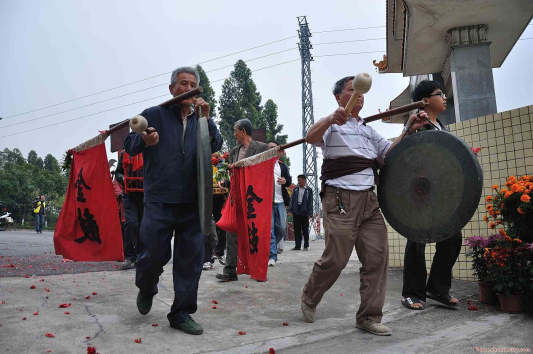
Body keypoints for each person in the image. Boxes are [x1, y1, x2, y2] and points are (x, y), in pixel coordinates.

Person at [300, 76, 427, 336]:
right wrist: (329, 119)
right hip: (340, 199)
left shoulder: (368, 130)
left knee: (377, 258)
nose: (359, 95)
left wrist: (409, 128)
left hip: (369, 200)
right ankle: (310, 296)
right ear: (338, 98)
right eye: (352, 90)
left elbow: (389, 153)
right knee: (336, 259)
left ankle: (368, 316)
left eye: (360, 92)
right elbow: (310, 138)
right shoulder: (333, 126)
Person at [124, 66, 223, 335]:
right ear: (172, 88)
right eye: (182, 83)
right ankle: (146, 286)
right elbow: (129, 143)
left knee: (190, 260)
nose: (188, 88)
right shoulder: (155, 114)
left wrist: (208, 119)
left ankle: (181, 312)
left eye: (192, 84)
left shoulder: (199, 120)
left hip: (193, 204)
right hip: (159, 200)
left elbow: (215, 145)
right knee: (153, 256)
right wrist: (145, 140)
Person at [400, 80, 462, 310]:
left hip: (440, 193)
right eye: (440, 94)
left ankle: (437, 288)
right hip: (418, 191)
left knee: (452, 237)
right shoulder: (417, 122)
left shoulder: (441, 126)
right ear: (425, 101)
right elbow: (404, 153)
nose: (445, 97)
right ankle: (411, 292)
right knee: (417, 241)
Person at [215, 119, 269, 281]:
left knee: (255, 234)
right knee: (232, 232)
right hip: (236, 197)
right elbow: (233, 173)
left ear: (243, 131)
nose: (234, 134)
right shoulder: (233, 151)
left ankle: (258, 270)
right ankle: (229, 270)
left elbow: (264, 171)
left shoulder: (262, 148)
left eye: (235, 130)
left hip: (254, 199)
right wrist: (224, 181)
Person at [115, 150, 145, 270]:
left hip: (145, 195)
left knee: (143, 225)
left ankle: (140, 255)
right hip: (129, 195)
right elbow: (118, 173)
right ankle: (128, 257)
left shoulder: (147, 151)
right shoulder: (125, 153)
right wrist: (123, 179)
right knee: (131, 223)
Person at [266, 140, 291, 266]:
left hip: (280, 201)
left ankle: (271, 249)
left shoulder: (282, 165)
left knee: (281, 229)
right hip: (267, 202)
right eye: (269, 148)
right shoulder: (263, 164)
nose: (272, 149)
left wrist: (284, 180)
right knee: (270, 229)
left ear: (278, 151)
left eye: (274, 148)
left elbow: (289, 180)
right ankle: (272, 256)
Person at [288, 175, 313, 251]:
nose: (299, 182)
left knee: (305, 229)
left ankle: (306, 245)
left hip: (304, 212)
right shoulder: (295, 189)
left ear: (304, 180)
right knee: (297, 230)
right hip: (296, 211)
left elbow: (310, 202)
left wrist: (310, 213)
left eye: (300, 180)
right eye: (298, 180)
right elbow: (292, 200)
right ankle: (297, 246)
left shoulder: (309, 190)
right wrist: (290, 209)